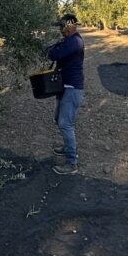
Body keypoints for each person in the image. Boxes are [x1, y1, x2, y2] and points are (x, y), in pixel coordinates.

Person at [47, 13, 84, 175]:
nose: (61, 30)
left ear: (70, 26)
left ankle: (71, 163)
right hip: (65, 86)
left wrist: (51, 49)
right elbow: (55, 51)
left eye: (62, 27)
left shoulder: (74, 42)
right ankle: (67, 147)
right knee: (59, 119)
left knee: (65, 123)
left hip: (72, 88)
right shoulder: (69, 41)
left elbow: (54, 54)